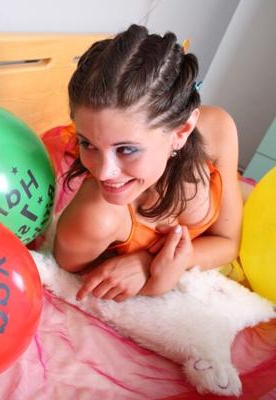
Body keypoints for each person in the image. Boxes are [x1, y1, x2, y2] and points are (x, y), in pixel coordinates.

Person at [53, 24, 242, 302]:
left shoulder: (217, 129)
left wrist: (148, 262)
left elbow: (230, 242)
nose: (104, 172)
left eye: (127, 149)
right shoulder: (95, 218)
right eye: (87, 143)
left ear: (182, 131)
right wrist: (154, 283)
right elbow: (76, 280)